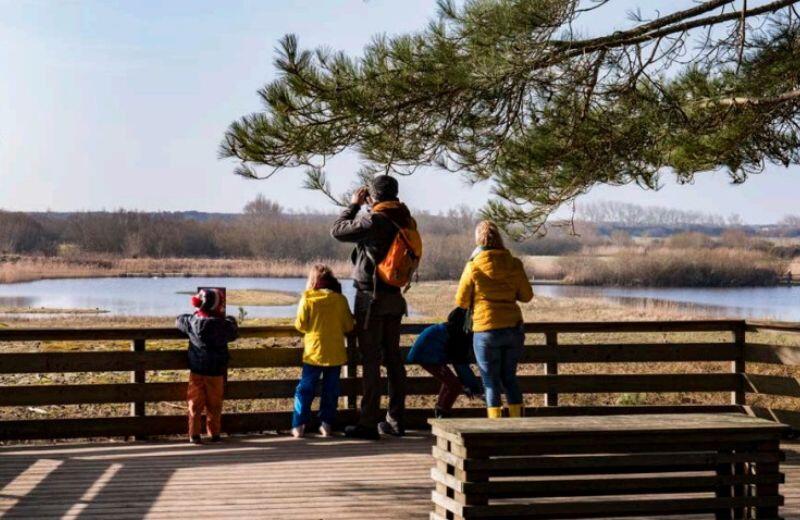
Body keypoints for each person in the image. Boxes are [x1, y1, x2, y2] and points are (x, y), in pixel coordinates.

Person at [331, 175, 415, 440]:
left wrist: (354, 205)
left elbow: (338, 230)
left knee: (371, 361)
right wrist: (371, 207)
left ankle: (368, 423)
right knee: (393, 359)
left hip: (371, 299)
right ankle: (395, 420)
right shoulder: (405, 218)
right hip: (395, 299)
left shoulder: (374, 220)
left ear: (375, 195)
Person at [455, 221, 533, 419]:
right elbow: (526, 296)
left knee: (490, 383)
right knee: (509, 379)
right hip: (513, 329)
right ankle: (518, 425)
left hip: (486, 330)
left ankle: (495, 427)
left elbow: (461, 301)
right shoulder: (514, 264)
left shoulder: (473, 266)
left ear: (478, 240)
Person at [291, 265, 355, 438]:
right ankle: (326, 424)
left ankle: (299, 425)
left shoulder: (307, 298)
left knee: (305, 390)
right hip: (335, 353)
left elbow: (301, 325)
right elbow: (349, 326)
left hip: (314, 353)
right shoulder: (340, 299)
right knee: (331, 389)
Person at [176, 288, 239, 444]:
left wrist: (194, 314)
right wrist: (230, 319)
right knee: (215, 404)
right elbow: (233, 331)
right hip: (216, 371)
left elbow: (179, 320)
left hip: (197, 370)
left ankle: (194, 434)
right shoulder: (222, 326)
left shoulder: (192, 322)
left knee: (194, 403)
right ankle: (214, 434)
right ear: (218, 307)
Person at [406, 307, 484, 418]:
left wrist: (470, 384)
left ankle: (440, 409)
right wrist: (473, 386)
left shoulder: (451, 328)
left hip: (429, 353)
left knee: (450, 383)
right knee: (455, 386)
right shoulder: (458, 334)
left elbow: (459, 361)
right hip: (427, 355)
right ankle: (443, 413)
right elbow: (460, 363)